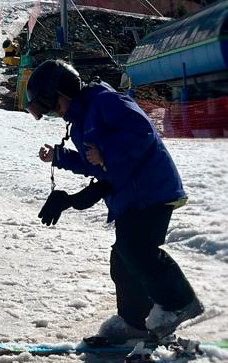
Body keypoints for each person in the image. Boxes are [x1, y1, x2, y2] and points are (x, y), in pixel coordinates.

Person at [28, 59, 204, 345]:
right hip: (129, 196)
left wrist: (106, 153)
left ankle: (178, 302)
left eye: (52, 104)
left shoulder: (106, 102)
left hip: (151, 190)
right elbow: (95, 164)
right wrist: (59, 157)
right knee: (122, 259)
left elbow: (142, 133)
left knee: (136, 249)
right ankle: (134, 323)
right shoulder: (80, 123)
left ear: (65, 90)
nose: (53, 112)